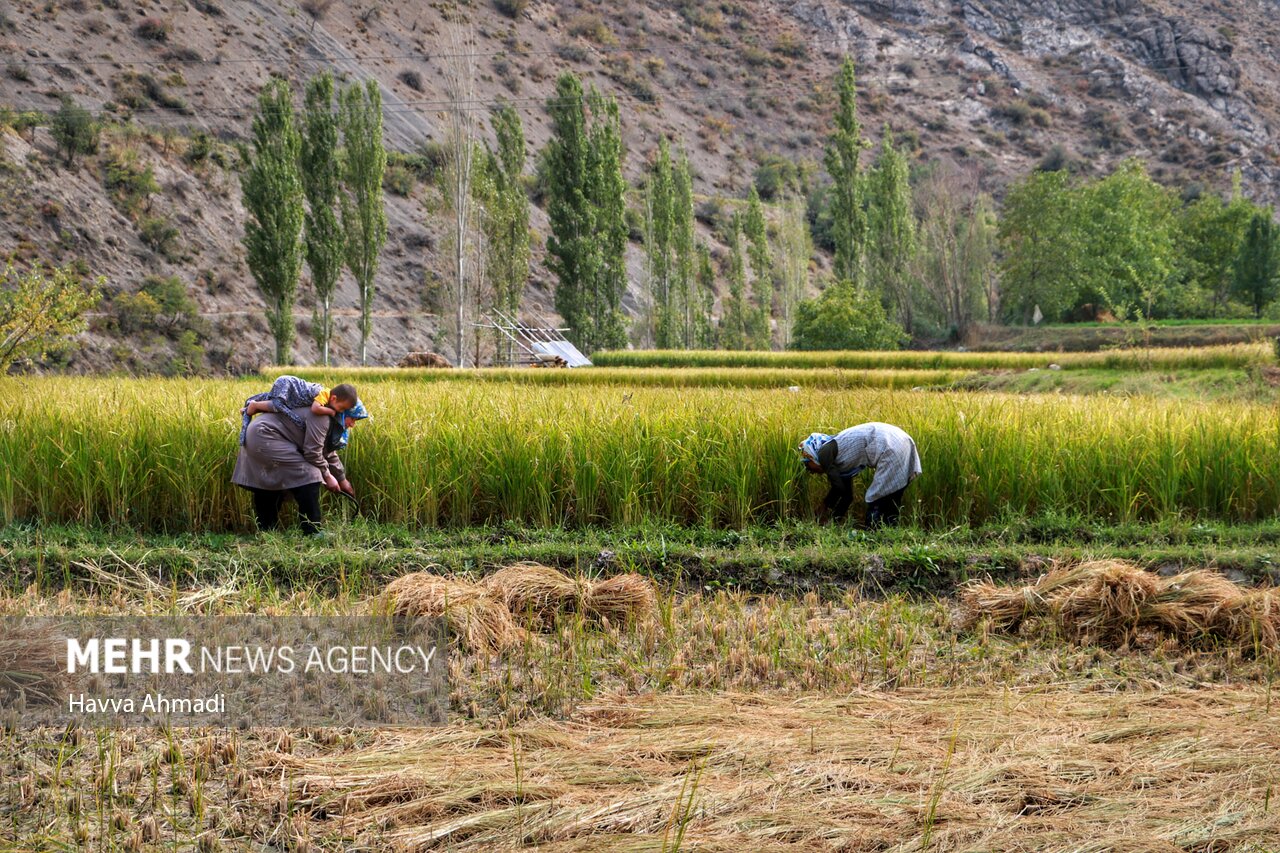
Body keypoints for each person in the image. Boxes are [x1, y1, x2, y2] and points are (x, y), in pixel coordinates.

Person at [231, 398, 369, 537]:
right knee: (311, 474)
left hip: (258, 434)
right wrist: (328, 476)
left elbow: (326, 451)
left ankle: (267, 531)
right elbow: (313, 453)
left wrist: (342, 479)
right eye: (352, 419)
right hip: (266, 435)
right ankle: (312, 531)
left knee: (271, 482)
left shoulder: (329, 420)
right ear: (342, 413)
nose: (352, 424)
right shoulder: (323, 418)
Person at [799, 423, 921, 527]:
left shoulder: (824, 453)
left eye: (807, 464)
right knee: (891, 500)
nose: (809, 470)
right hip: (901, 440)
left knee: (876, 499)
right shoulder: (838, 457)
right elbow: (847, 496)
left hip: (890, 445)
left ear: (811, 455)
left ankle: (873, 539)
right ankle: (889, 540)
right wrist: (833, 524)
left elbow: (838, 488)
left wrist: (824, 506)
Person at [239, 376, 359, 446]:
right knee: (278, 406)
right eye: (342, 408)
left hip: (294, 394)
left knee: (281, 403)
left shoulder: (330, 398)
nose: (340, 411)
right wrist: (330, 412)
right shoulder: (324, 394)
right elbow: (315, 409)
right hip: (288, 383)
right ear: (334, 398)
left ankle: (246, 408)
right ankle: (254, 406)